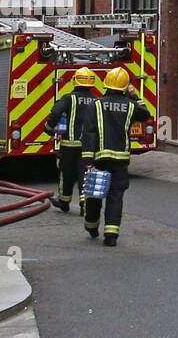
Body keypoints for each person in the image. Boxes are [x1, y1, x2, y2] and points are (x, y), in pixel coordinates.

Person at [81, 66, 152, 247]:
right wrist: (134, 95)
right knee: (115, 196)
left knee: (94, 193)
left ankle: (91, 226)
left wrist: (87, 160)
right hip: (120, 160)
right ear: (124, 87)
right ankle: (111, 235)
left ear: (106, 85)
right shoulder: (130, 106)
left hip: (99, 158)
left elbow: (89, 133)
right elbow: (145, 114)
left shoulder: (95, 105)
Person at [44, 67, 98, 214]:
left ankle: (64, 201)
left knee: (66, 173)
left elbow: (56, 112)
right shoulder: (96, 100)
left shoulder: (69, 98)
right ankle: (85, 205)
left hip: (69, 145)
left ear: (75, 81)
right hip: (88, 146)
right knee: (85, 173)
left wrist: (48, 128)